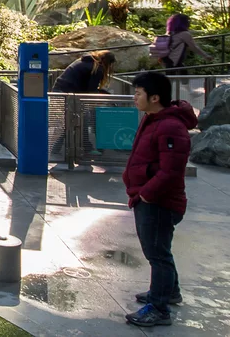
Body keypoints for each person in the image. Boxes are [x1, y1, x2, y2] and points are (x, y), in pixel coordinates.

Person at [122, 70, 197, 327]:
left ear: (154, 97)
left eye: (138, 93)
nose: (134, 97)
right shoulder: (152, 119)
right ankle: (166, 292)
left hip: (158, 203)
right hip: (149, 198)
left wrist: (145, 195)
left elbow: (171, 171)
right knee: (160, 251)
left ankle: (160, 308)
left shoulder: (170, 126)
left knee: (157, 255)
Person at [51, 51, 116, 157]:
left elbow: (88, 87)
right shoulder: (97, 68)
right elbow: (91, 91)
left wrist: (101, 92)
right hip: (69, 94)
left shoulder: (85, 61)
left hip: (60, 91)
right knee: (83, 119)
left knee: (69, 120)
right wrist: (104, 96)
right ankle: (86, 148)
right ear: (108, 63)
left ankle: (56, 147)